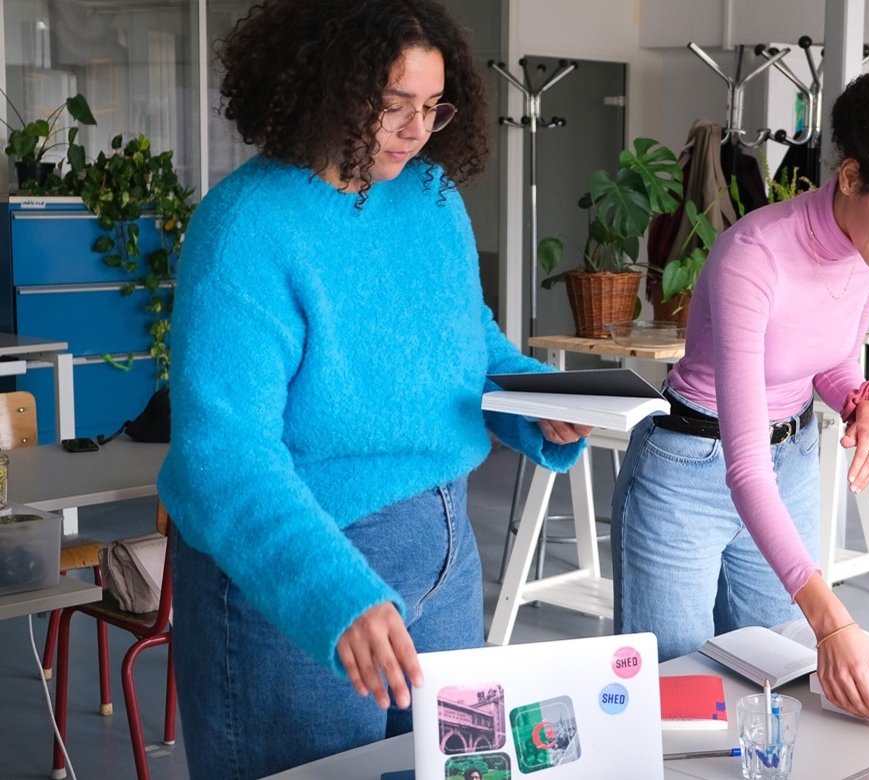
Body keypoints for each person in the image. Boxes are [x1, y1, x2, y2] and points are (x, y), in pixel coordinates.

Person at [156, 2, 589, 777]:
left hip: (447, 557)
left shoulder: (431, 198)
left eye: (432, 106)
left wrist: (536, 401)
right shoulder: (245, 230)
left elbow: (466, 337)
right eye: (394, 106)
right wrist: (333, 591)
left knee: (459, 769)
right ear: (324, 86)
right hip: (300, 570)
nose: (417, 130)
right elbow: (222, 458)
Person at [611, 62, 869, 723]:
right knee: (673, 699)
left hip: (788, 464)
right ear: (850, 177)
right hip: (692, 474)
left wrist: (864, 402)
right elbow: (743, 464)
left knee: (778, 687)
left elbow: (830, 358)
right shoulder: (752, 257)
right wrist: (833, 617)